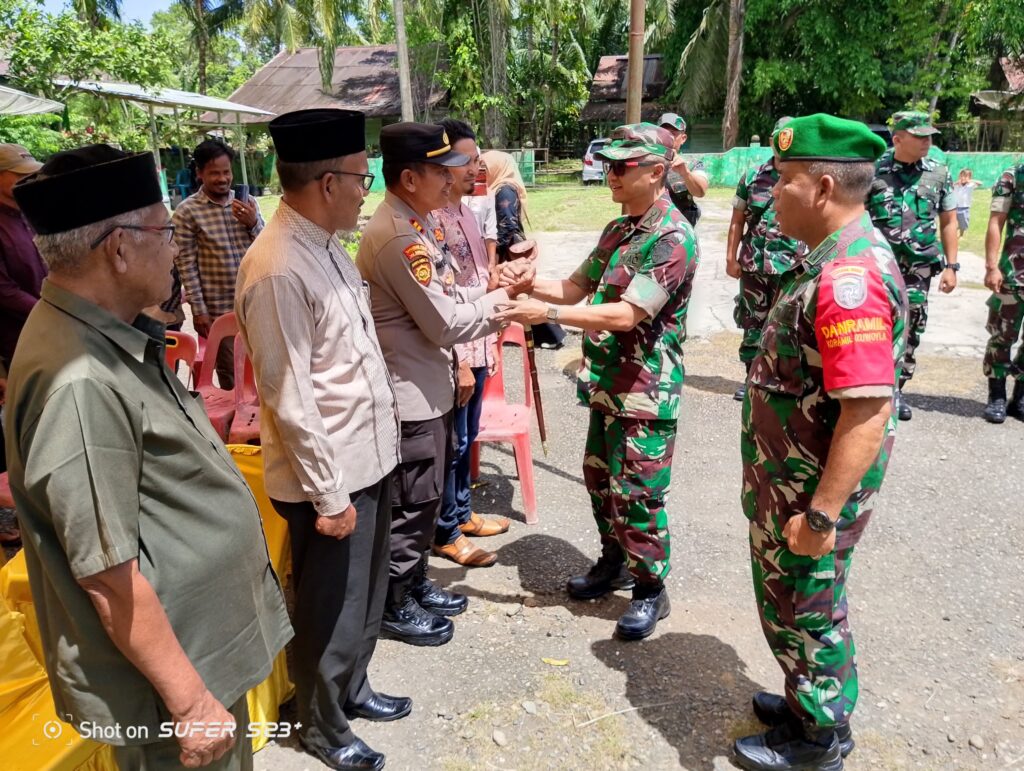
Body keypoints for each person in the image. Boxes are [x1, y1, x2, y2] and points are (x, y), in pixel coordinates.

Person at [5, 144, 292, 770]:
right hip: (173, 684)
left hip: (199, 652)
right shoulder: (78, 378)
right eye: (165, 232)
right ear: (118, 247)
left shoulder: (103, 332)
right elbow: (107, 577)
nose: (174, 249)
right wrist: (190, 705)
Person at [734, 114, 907, 771]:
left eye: (784, 181)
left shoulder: (847, 280)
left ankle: (820, 737)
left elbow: (866, 411)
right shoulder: (831, 258)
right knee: (793, 599)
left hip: (808, 491)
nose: (772, 193)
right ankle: (806, 699)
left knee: (811, 605)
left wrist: (822, 513)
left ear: (824, 186)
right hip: (790, 480)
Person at [235, 109, 404, 771]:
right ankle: (320, 723)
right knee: (331, 609)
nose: (368, 189)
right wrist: (331, 495)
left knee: (365, 596)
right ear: (327, 182)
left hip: (367, 460)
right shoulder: (277, 265)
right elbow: (289, 396)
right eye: (362, 177)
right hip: (327, 478)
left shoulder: (325, 242)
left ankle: (351, 691)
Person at [495, 123, 700, 641]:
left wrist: (543, 311)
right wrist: (526, 283)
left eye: (622, 166)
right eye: (608, 164)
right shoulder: (619, 229)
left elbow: (628, 315)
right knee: (600, 481)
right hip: (608, 384)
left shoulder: (671, 237)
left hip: (646, 391)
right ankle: (614, 562)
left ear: (656, 173)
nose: (610, 174)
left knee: (638, 494)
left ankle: (651, 588)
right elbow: (574, 286)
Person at [356, 123, 529, 647]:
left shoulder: (416, 220)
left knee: (426, 494)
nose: (451, 179)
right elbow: (445, 322)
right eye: (440, 171)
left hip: (424, 383)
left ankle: (413, 584)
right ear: (410, 178)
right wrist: (504, 305)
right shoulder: (399, 235)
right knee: (412, 501)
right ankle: (395, 602)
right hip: (409, 392)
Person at [431, 118, 510, 568]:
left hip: (478, 342)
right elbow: (442, 298)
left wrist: (490, 343)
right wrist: (461, 360)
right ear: (441, 166)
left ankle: (462, 515)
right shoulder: (435, 219)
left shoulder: (468, 209)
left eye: (476, 158)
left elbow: (478, 280)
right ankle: (446, 529)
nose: (475, 166)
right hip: (458, 349)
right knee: (453, 441)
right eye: (465, 159)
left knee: (468, 438)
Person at [867, 110, 958, 421]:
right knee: (873, 326)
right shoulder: (873, 172)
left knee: (911, 328)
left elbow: (948, 221)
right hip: (877, 266)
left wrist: (952, 266)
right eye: (920, 137)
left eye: (929, 136)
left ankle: (896, 389)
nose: (927, 142)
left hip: (918, 269)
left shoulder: (938, 172)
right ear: (898, 139)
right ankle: (870, 388)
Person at [725, 117, 806, 402]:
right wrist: (730, 258)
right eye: (777, 138)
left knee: (788, 326)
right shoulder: (752, 176)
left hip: (792, 267)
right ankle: (751, 379)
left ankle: (783, 380)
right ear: (772, 140)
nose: (782, 144)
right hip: (753, 264)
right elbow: (737, 221)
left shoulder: (805, 178)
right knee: (752, 324)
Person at [173, 138, 263, 389]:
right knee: (233, 373)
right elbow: (186, 264)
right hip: (219, 308)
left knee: (266, 364)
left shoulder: (246, 203)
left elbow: (266, 244)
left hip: (255, 299)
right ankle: (236, 425)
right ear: (200, 174)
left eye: (226, 172)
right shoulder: (187, 211)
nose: (223, 179)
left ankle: (265, 421)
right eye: (214, 173)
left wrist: (253, 222)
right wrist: (199, 310)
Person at [481, 149, 565, 349]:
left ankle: (550, 334)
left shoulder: (504, 189)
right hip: (509, 250)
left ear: (497, 168)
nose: (481, 171)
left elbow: (508, 226)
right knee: (519, 293)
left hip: (508, 251)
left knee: (520, 293)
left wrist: (494, 250)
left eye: (485, 167)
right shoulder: (503, 186)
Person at [0, 143, 47, 475]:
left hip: (43, 326)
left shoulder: (28, 214)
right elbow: (3, 291)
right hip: (13, 338)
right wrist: (49, 309)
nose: (27, 181)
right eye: (19, 176)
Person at [980, 161, 1024, 423]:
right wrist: (992, 266)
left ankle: (1019, 397)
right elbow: (996, 221)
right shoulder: (1012, 176)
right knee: (1002, 335)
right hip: (1012, 274)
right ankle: (996, 396)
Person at [658, 112, 709, 227]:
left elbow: (700, 191)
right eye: (663, 133)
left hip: (682, 229)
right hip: (653, 227)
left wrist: (685, 173)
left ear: (683, 138)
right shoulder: (648, 161)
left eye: (673, 134)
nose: (668, 137)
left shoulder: (692, 164)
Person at [953, 167, 983, 236]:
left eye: (965, 176)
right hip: (955, 206)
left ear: (969, 177)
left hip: (965, 207)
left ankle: (961, 234)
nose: (963, 178)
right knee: (953, 222)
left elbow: (980, 183)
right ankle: (955, 232)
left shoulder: (970, 185)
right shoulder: (957, 185)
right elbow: (951, 186)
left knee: (963, 222)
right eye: (962, 176)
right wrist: (956, 182)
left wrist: (970, 181)